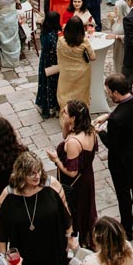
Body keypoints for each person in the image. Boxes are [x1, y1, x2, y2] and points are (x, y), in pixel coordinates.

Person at [94, 73, 133, 241]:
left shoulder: (116, 120)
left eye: (109, 92)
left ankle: (127, 228)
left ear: (116, 92)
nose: (108, 95)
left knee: (123, 194)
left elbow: (112, 144)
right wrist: (108, 115)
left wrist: (99, 132)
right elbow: (127, 109)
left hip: (121, 160)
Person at [46, 100, 99, 248]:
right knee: (86, 208)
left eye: (66, 112)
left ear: (74, 118)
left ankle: (75, 240)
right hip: (88, 175)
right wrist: (65, 124)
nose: (63, 112)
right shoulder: (90, 130)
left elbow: (72, 172)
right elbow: (65, 136)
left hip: (76, 183)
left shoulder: (74, 143)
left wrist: (56, 160)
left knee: (75, 209)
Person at [56, 15, 95, 112]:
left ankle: (67, 116)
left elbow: (58, 53)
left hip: (66, 73)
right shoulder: (84, 42)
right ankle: (81, 117)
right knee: (81, 96)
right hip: (82, 73)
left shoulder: (61, 40)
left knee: (65, 94)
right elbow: (93, 57)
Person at [36, 11, 61, 119]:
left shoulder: (44, 31)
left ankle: (44, 105)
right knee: (52, 83)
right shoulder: (52, 35)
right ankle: (52, 107)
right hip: (52, 61)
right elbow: (55, 48)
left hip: (44, 60)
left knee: (44, 82)